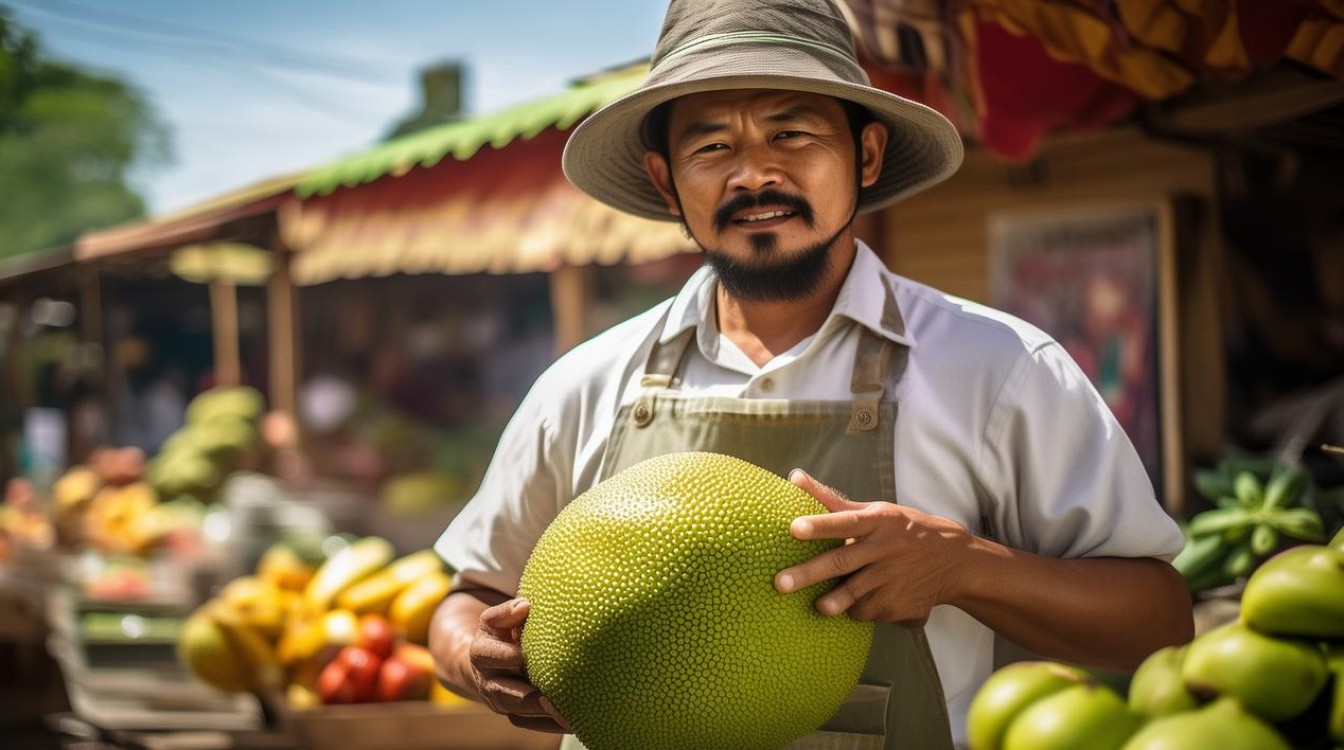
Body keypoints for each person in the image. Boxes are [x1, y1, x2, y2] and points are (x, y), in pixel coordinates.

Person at [428, 0, 1194, 747]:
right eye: (712, 148)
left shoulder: (1000, 369)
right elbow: (469, 598)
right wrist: (476, 659)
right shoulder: (584, 384)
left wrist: (966, 568)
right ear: (667, 183)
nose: (753, 174)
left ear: (865, 156)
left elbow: (1158, 622)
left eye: (790, 133)